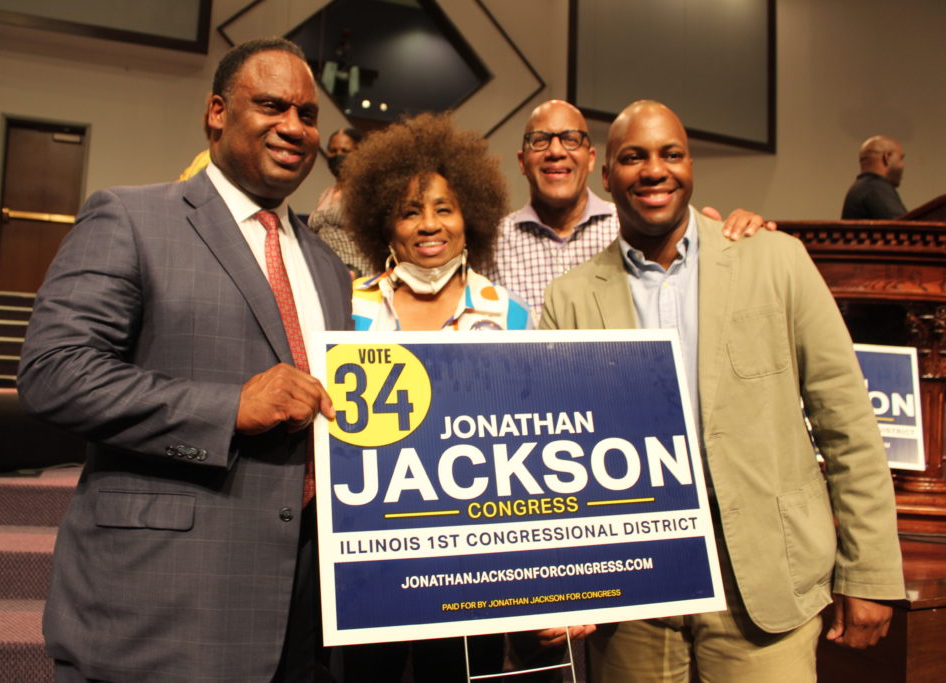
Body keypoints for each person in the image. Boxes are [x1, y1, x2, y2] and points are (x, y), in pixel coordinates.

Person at [17, 38, 352, 682]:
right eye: (271, 106)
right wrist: (228, 408)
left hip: (305, 607)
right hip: (164, 602)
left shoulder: (328, 267)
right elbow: (53, 372)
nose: (294, 127)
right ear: (218, 113)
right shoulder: (133, 217)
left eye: (307, 115)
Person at [541, 100, 905, 682]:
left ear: (691, 167)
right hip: (633, 596)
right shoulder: (570, 298)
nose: (654, 170)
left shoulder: (776, 260)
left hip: (764, 584)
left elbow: (848, 424)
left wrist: (870, 574)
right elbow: (554, 457)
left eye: (671, 154)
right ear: (606, 177)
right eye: (633, 157)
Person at [337, 112, 590, 680]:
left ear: (469, 217)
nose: (429, 225)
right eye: (409, 211)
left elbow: (541, 453)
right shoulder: (347, 311)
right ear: (384, 225)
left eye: (444, 208)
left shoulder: (512, 316)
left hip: (477, 573)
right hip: (371, 568)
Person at [488, 99, 773, 322]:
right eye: (540, 139)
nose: (555, 151)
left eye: (570, 138)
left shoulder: (638, 225)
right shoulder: (488, 242)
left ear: (591, 161)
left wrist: (743, 232)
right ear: (523, 161)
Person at [310, 127, 370, 276]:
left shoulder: (368, 192)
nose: (338, 156)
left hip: (358, 274)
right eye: (333, 150)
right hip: (324, 272)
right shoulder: (325, 194)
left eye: (345, 151)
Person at [841, 135, 907, 219]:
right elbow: (902, 229)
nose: (903, 165)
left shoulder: (863, 187)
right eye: (901, 158)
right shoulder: (876, 189)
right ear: (887, 157)